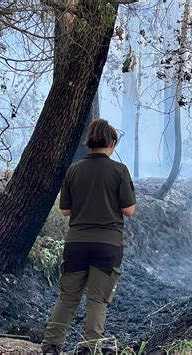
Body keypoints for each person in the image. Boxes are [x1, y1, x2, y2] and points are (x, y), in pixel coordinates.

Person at [42, 119, 136, 354]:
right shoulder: (119, 171)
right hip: (108, 245)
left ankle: (52, 347)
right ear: (112, 142)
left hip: (77, 243)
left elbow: (65, 211)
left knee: (68, 297)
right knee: (97, 300)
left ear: (90, 142)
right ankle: (88, 348)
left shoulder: (74, 169)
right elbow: (129, 210)